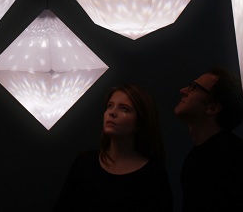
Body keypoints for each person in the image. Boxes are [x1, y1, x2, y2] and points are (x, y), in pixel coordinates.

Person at [54, 84, 173, 212]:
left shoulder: (153, 175)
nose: (112, 113)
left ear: (139, 122)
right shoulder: (84, 163)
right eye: (110, 106)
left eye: (124, 109)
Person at [174, 66, 243, 212]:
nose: (183, 90)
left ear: (213, 108)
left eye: (194, 88)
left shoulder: (237, 159)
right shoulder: (197, 157)